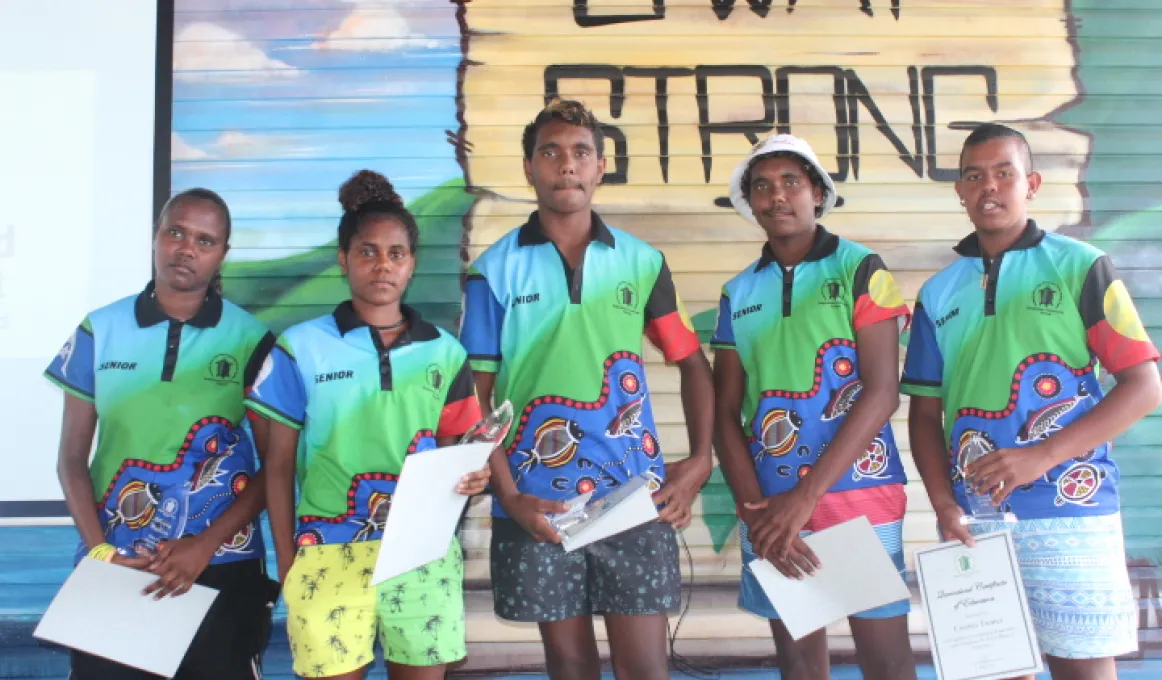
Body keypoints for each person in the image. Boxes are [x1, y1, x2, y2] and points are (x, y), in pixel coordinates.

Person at [459, 99, 714, 680]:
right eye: (550, 152)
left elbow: (693, 365)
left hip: (632, 496)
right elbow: (480, 393)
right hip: (537, 501)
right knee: (570, 664)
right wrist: (509, 495)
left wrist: (700, 461)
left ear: (601, 167)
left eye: (580, 152)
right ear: (529, 168)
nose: (566, 165)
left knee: (645, 666)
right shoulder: (494, 271)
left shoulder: (641, 263)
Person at [901, 123, 1162, 679]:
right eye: (974, 176)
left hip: (1074, 511)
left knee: (1083, 669)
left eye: (1004, 173)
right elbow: (924, 415)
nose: (988, 187)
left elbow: (1144, 386)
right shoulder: (938, 293)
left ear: (1032, 184)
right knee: (996, 669)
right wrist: (945, 505)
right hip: (977, 517)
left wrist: (1041, 456)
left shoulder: (1079, 265)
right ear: (960, 189)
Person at [244, 170, 489, 680]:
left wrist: (472, 477)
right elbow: (279, 465)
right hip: (327, 554)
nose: (383, 265)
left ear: (412, 264)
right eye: (368, 251)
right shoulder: (300, 347)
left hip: (423, 555)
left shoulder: (444, 351)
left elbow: (453, 459)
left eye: (396, 253)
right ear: (344, 259)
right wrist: (289, 561)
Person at [44, 188, 278, 679]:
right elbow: (70, 459)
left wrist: (203, 547)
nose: (186, 248)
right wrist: (101, 550)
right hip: (116, 563)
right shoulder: (99, 330)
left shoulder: (252, 340)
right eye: (175, 232)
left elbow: (275, 467)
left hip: (221, 566)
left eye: (204, 240)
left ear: (222, 255)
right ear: (156, 236)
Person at [710, 134, 916, 680]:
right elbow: (724, 412)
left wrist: (806, 496)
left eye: (791, 182)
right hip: (773, 502)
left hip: (856, 492)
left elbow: (882, 392)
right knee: (800, 660)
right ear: (750, 203)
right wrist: (757, 513)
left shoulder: (859, 269)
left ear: (818, 194)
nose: (777, 196)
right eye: (762, 186)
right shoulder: (738, 293)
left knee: (886, 658)